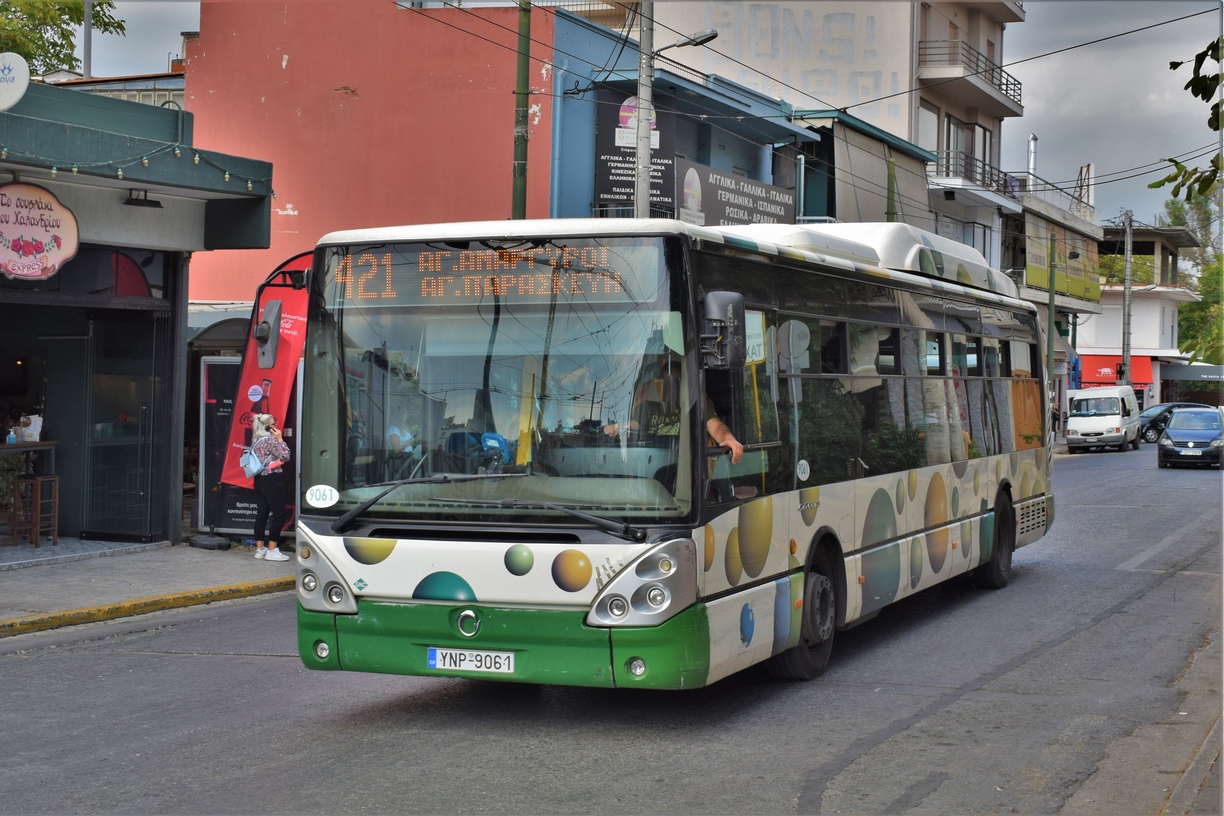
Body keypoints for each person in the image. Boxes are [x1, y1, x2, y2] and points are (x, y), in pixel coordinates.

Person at [603, 355, 743, 464]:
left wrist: (730, 440)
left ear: (685, 385)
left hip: (684, 472)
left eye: (675, 383)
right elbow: (633, 425)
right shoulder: (648, 407)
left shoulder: (697, 405)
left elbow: (716, 426)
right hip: (649, 468)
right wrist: (616, 427)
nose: (670, 389)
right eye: (665, 383)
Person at [250, 413, 292, 561]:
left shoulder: (256, 440)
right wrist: (280, 439)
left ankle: (260, 549)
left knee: (262, 514)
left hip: (260, 479)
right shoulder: (270, 440)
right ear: (267, 426)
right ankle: (272, 550)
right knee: (279, 514)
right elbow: (286, 455)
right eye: (273, 424)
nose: (275, 427)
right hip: (273, 480)